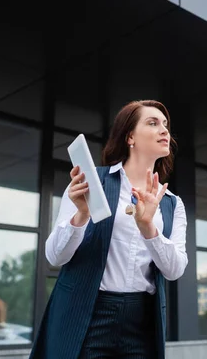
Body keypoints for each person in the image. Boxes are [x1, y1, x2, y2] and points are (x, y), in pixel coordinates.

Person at [30, 100, 188, 359]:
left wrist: (148, 227)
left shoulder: (172, 203)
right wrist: (81, 214)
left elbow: (174, 270)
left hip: (142, 321)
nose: (165, 131)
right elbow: (55, 256)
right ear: (130, 137)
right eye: (153, 123)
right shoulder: (91, 182)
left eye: (166, 125)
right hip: (88, 314)